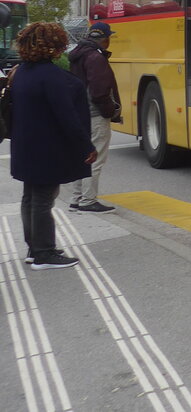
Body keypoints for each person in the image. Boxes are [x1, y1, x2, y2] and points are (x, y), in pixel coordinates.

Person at [9, 22, 97, 270]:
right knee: (43, 200)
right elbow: (67, 117)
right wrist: (85, 146)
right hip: (47, 147)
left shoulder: (21, 72)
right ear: (55, 47)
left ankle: (34, 247)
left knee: (30, 197)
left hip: (25, 145)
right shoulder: (52, 77)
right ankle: (44, 253)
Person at [67, 21, 122, 214]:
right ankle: (88, 200)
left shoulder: (79, 55)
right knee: (95, 159)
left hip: (81, 113)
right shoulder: (96, 58)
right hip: (95, 115)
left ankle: (76, 199)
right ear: (105, 39)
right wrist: (110, 110)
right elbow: (99, 92)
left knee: (84, 156)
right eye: (109, 38)